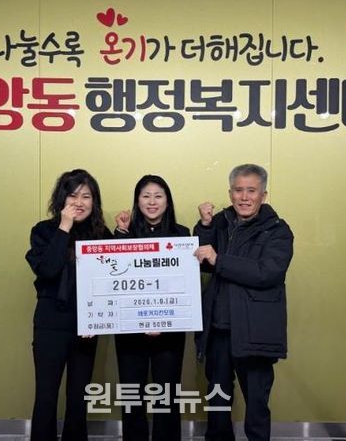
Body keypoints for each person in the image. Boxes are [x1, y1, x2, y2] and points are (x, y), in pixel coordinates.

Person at [193, 164, 294, 441]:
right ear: (230, 193)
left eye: (252, 191)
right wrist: (205, 226)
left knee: (257, 403)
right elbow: (204, 260)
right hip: (218, 329)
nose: (244, 197)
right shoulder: (221, 221)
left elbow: (267, 272)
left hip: (255, 331)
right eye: (238, 190)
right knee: (217, 399)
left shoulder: (277, 230)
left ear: (264, 195)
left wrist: (220, 259)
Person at [25, 169, 112, 441]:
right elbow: (48, 270)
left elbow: (112, 281)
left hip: (87, 327)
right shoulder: (43, 231)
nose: (79, 202)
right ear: (62, 199)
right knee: (46, 396)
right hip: (51, 325)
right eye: (73, 196)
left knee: (79, 398)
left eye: (86, 196)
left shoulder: (101, 234)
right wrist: (64, 227)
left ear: (94, 201)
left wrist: (97, 319)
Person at [113, 174, 190, 441]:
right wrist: (120, 233)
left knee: (167, 395)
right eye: (146, 196)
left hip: (169, 330)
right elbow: (112, 279)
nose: (152, 201)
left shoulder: (182, 235)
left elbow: (185, 283)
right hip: (129, 330)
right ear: (137, 201)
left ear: (167, 201)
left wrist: (160, 320)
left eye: (158, 196)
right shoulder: (125, 233)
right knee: (132, 394)